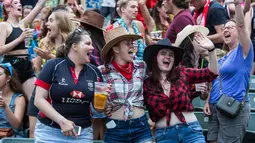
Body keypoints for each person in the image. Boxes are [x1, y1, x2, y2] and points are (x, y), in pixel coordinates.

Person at [34, 28, 104, 142]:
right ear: (75, 46)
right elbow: (38, 100)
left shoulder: (95, 72)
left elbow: (98, 109)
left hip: (82, 134)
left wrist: (104, 102)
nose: (92, 48)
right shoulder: (53, 65)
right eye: (88, 44)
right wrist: (62, 121)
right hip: (49, 132)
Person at [143, 37, 218, 143]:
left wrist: (211, 50)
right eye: (163, 53)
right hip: (164, 136)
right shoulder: (147, 84)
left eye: (171, 55)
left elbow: (211, 73)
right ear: (155, 58)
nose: (167, 57)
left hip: (191, 131)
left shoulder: (182, 73)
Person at [204, 0, 254, 142]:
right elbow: (215, 80)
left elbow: (242, 25)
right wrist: (208, 101)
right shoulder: (222, 57)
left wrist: (238, 5)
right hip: (214, 108)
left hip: (232, 108)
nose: (225, 30)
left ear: (239, 32)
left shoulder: (244, 51)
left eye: (230, 28)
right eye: (224, 28)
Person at [98, 26, 153, 143]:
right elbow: (99, 107)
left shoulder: (142, 66)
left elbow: (153, 91)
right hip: (115, 130)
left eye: (132, 43)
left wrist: (153, 118)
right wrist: (104, 103)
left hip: (141, 126)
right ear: (116, 49)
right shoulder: (102, 71)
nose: (132, 47)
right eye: (128, 43)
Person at [0, 0, 47, 101]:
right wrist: (19, 39)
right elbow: (0, 50)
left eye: (20, 3)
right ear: (8, 8)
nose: (20, 4)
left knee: (34, 100)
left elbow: (38, 7)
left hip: (26, 64)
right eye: (16, 3)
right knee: (13, 100)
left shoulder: (23, 23)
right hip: (11, 66)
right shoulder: (3, 25)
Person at [73, 9, 106, 140]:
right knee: (100, 126)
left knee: (94, 127)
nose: (79, 27)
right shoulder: (101, 46)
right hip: (101, 90)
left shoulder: (90, 48)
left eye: (82, 25)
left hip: (91, 89)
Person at [174, 25, 210, 101]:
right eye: (198, 37)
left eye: (203, 37)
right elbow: (175, 92)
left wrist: (204, 93)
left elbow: (203, 97)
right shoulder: (178, 63)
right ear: (189, 42)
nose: (203, 40)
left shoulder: (203, 63)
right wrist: (194, 86)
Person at [33, 9, 74, 74]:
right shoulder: (43, 42)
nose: (46, 24)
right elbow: (37, 68)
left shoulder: (72, 44)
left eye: (51, 21)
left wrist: (50, 57)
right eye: (48, 20)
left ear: (61, 24)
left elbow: (73, 66)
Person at [0, 63, 26, 137]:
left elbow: (16, 125)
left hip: (12, 138)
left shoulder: (19, 98)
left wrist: (5, 107)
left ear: (8, 78)